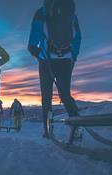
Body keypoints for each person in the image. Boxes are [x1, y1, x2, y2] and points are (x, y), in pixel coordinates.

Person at [27, 0, 82, 138]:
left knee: (46, 96)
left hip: (47, 60)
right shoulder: (70, 10)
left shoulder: (42, 12)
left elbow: (35, 36)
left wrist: (36, 51)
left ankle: (48, 130)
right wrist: (73, 56)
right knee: (65, 94)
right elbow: (77, 37)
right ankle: (78, 127)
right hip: (66, 59)